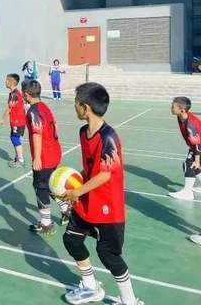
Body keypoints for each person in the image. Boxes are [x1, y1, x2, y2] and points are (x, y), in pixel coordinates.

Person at [62, 83, 142, 305]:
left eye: (76, 103)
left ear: (85, 107)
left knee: (108, 254)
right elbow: (91, 168)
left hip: (108, 206)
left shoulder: (109, 137)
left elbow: (105, 175)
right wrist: (72, 182)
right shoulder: (83, 132)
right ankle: (90, 287)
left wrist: (76, 192)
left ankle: (129, 300)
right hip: (87, 201)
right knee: (71, 240)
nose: (74, 106)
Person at [22, 80, 70, 236]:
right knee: (50, 185)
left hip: (45, 156)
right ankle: (66, 209)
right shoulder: (44, 106)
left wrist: (37, 158)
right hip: (54, 152)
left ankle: (46, 224)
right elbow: (55, 126)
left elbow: (37, 134)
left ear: (26, 94)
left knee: (41, 188)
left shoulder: (33, 111)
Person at [169, 96, 201, 201]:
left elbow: (197, 144)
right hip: (195, 144)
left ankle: (187, 193)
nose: (171, 107)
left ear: (182, 110)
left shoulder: (190, 125)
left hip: (198, 146)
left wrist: (197, 160)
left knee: (189, 165)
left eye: (173, 106)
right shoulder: (181, 116)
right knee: (194, 166)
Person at [0, 73, 26, 168]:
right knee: (13, 137)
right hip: (15, 121)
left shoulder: (15, 95)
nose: (5, 82)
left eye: (7, 80)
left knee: (15, 138)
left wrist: (3, 119)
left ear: (12, 82)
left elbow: (9, 108)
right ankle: (18, 158)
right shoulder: (13, 93)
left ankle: (21, 160)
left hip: (18, 121)